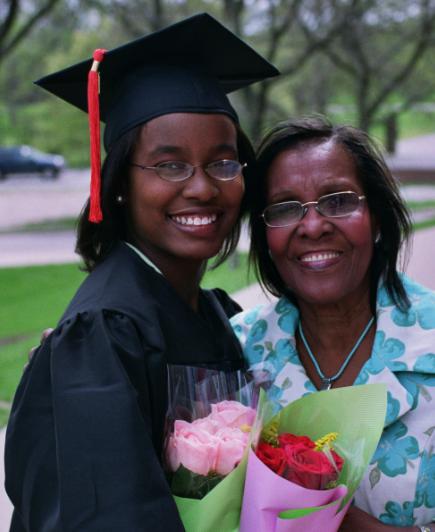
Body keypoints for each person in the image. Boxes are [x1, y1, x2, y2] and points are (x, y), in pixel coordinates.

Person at [4, 13, 278, 531]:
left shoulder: (212, 312)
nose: (202, 188)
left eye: (223, 162)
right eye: (170, 165)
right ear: (120, 184)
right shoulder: (103, 332)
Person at [231, 116, 435, 531]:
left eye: (339, 201)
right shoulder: (238, 348)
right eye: (285, 209)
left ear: (376, 217)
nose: (312, 226)